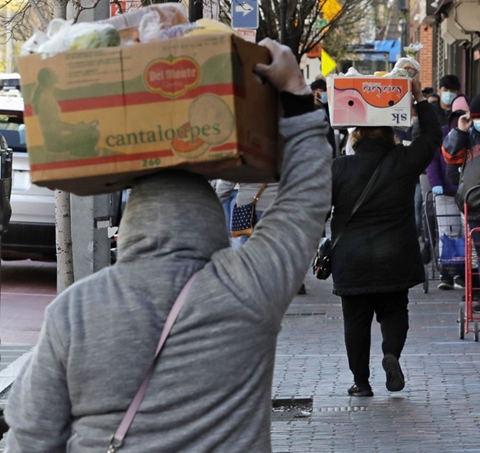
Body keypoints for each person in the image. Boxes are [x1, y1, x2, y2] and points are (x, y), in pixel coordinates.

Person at [3, 39, 332, 452]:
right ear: (211, 221)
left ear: (129, 227)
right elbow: (305, 203)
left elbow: (30, 438)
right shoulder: (247, 288)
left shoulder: (73, 312)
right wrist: (298, 95)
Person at [331, 79, 439, 397]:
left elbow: (319, 209)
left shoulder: (339, 168)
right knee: (394, 311)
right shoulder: (404, 162)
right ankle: (391, 352)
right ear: (392, 133)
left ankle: (361, 382)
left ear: (356, 135)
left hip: (351, 259)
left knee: (355, 321)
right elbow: (432, 137)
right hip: (395, 254)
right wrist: (419, 99)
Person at [443, 92, 480, 312]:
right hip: (475, 203)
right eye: (477, 118)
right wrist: (460, 129)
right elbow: (449, 155)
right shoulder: (467, 137)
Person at [425, 108, 468, 290]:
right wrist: (435, 182)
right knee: (448, 232)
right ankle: (447, 271)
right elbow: (432, 160)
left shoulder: (472, 136)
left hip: (466, 192)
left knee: (465, 233)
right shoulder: (443, 134)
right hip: (445, 192)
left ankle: (463, 271)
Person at [311, 78, 337, 154]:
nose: (326, 93)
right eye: (323, 90)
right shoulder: (311, 112)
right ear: (314, 92)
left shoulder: (329, 109)